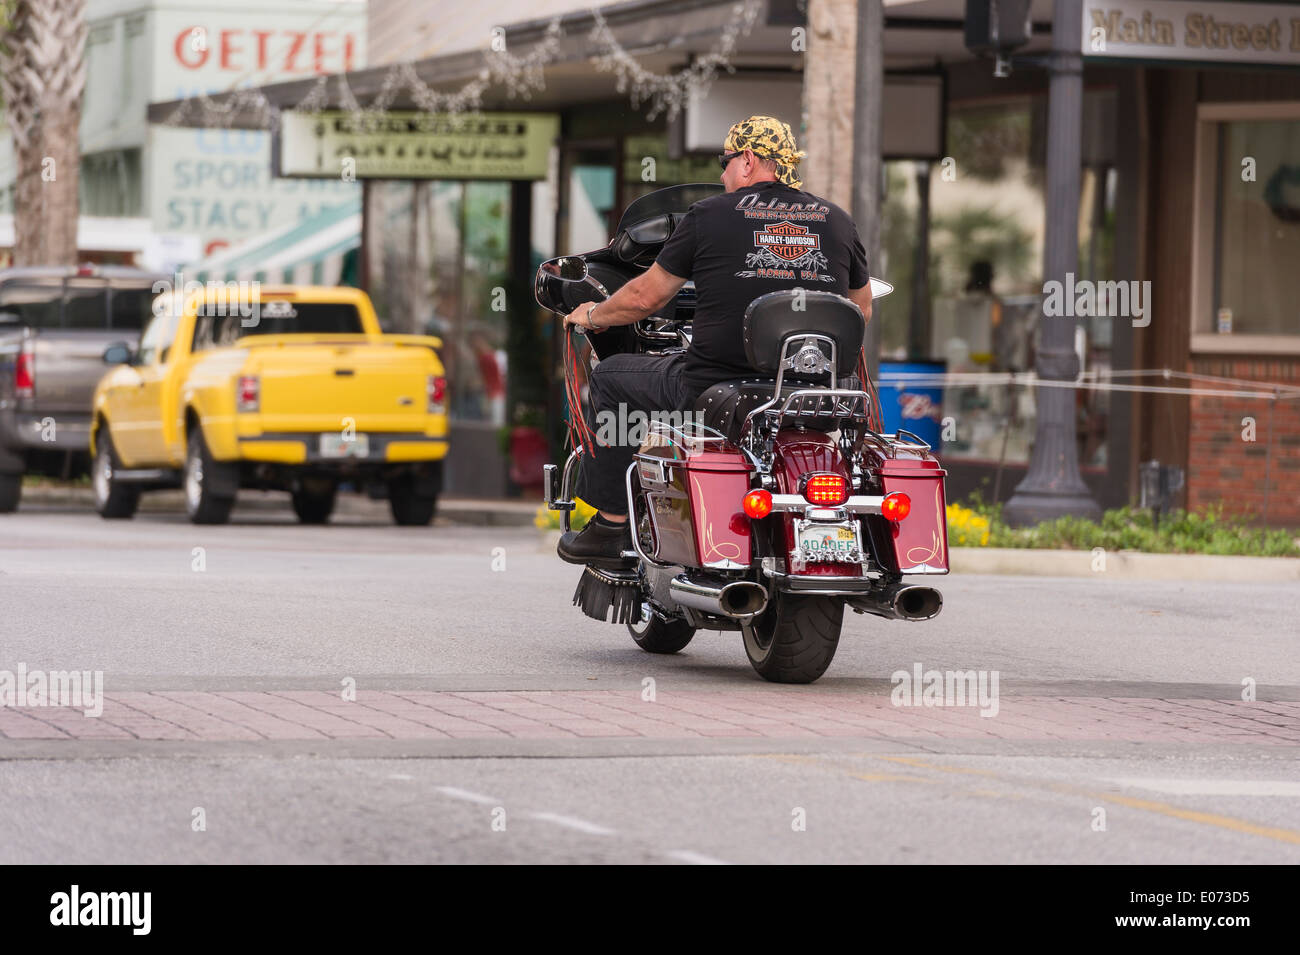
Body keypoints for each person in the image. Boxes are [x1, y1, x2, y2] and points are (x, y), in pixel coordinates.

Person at [558, 115, 874, 564]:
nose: (723, 174)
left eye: (725, 162)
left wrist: (593, 314)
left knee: (610, 378)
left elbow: (645, 297)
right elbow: (859, 309)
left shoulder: (709, 215)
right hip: (816, 393)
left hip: (712, 387)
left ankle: (611, 525)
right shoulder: (838, 221)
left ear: (747, 161)